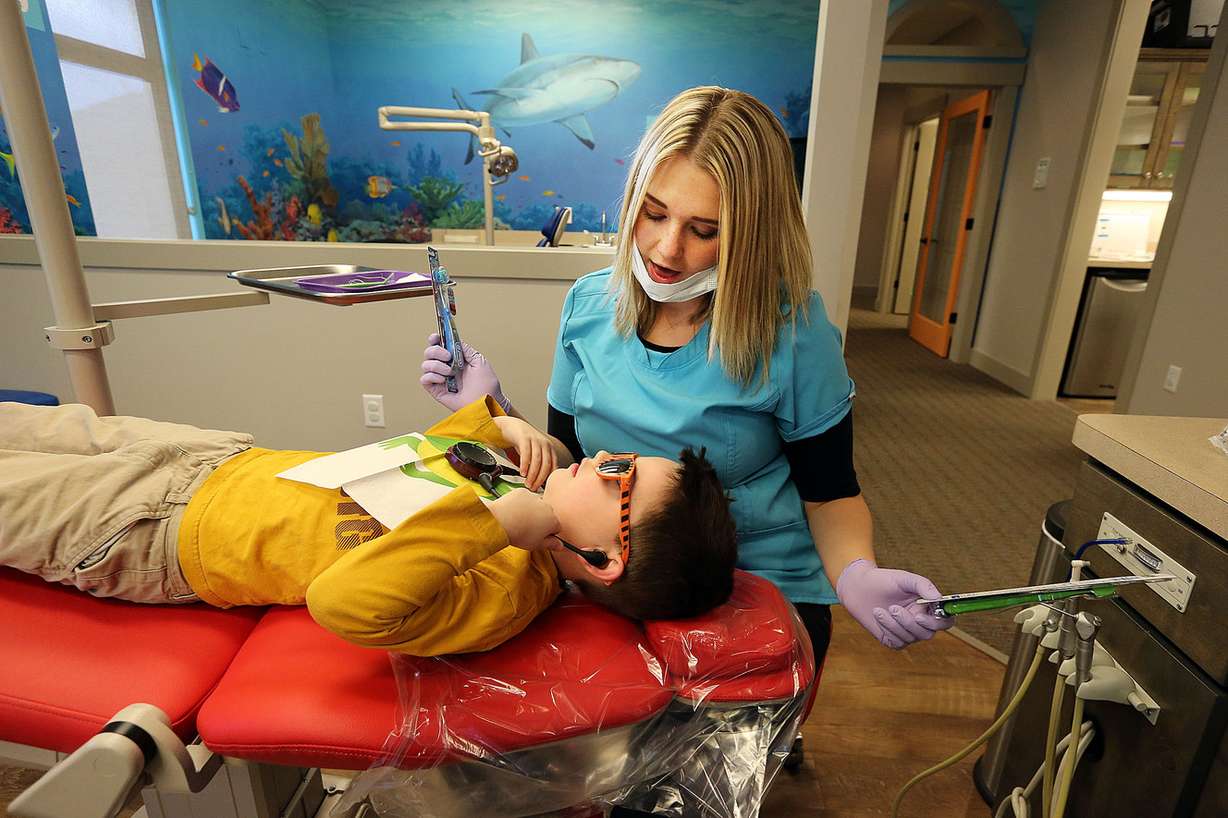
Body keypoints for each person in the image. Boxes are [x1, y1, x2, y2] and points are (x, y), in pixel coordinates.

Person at [420, 86, 952, 667]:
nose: (666, 250)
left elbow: (829, 496)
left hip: (750, 588)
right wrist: (494, 409)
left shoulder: (791, 333)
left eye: (704, 231)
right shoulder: (590, 307)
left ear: (753, 233)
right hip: (610, 583)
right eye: (653, 214)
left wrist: (856, 573)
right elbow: (566, 462)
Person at [0, 396, 737, 657]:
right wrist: (500, 426)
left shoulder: (506, 583)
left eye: (620, 478)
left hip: (151, 532)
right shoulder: (523, 489)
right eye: (622, 456)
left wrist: (493, 524)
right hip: (211, 459)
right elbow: (426, 455)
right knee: (26, 425)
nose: (604, 456)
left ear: (604, 559)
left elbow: (346, 603)